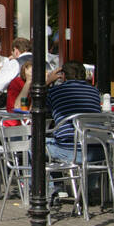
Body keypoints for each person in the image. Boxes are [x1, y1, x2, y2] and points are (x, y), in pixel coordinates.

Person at [45, 60, 103, 204]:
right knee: (91, 143)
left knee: (35, 144)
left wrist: (47, 82)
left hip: (71, 152)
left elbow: (37, 107)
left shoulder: (55, 91)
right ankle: (88, 190)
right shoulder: (95, 92)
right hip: (98, 152)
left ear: (62, 76)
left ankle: (51, 190)